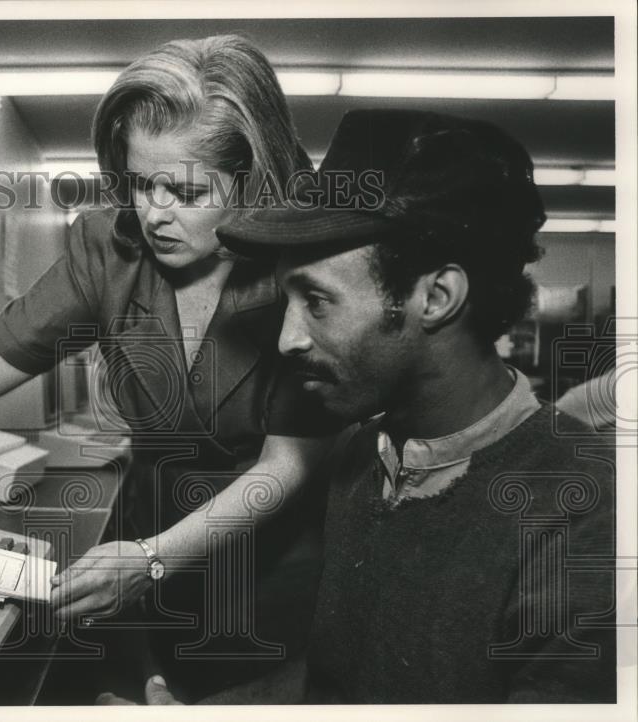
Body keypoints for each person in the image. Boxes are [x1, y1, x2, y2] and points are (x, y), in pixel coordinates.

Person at [0, 35, 341, 702]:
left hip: (263, 570)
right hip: (145, 548)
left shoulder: (300, 265)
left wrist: (155, 558)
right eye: (140, 182)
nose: (154, 212)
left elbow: (289, 462)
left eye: (186, 190)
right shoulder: (109, 246)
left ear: (252, 182)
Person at [100, 109, 617, 704]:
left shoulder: (582, 519)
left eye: (317, 301)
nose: (286, 338)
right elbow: (327, 683)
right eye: (288, 298)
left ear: (436, 297)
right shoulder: (358, 460)